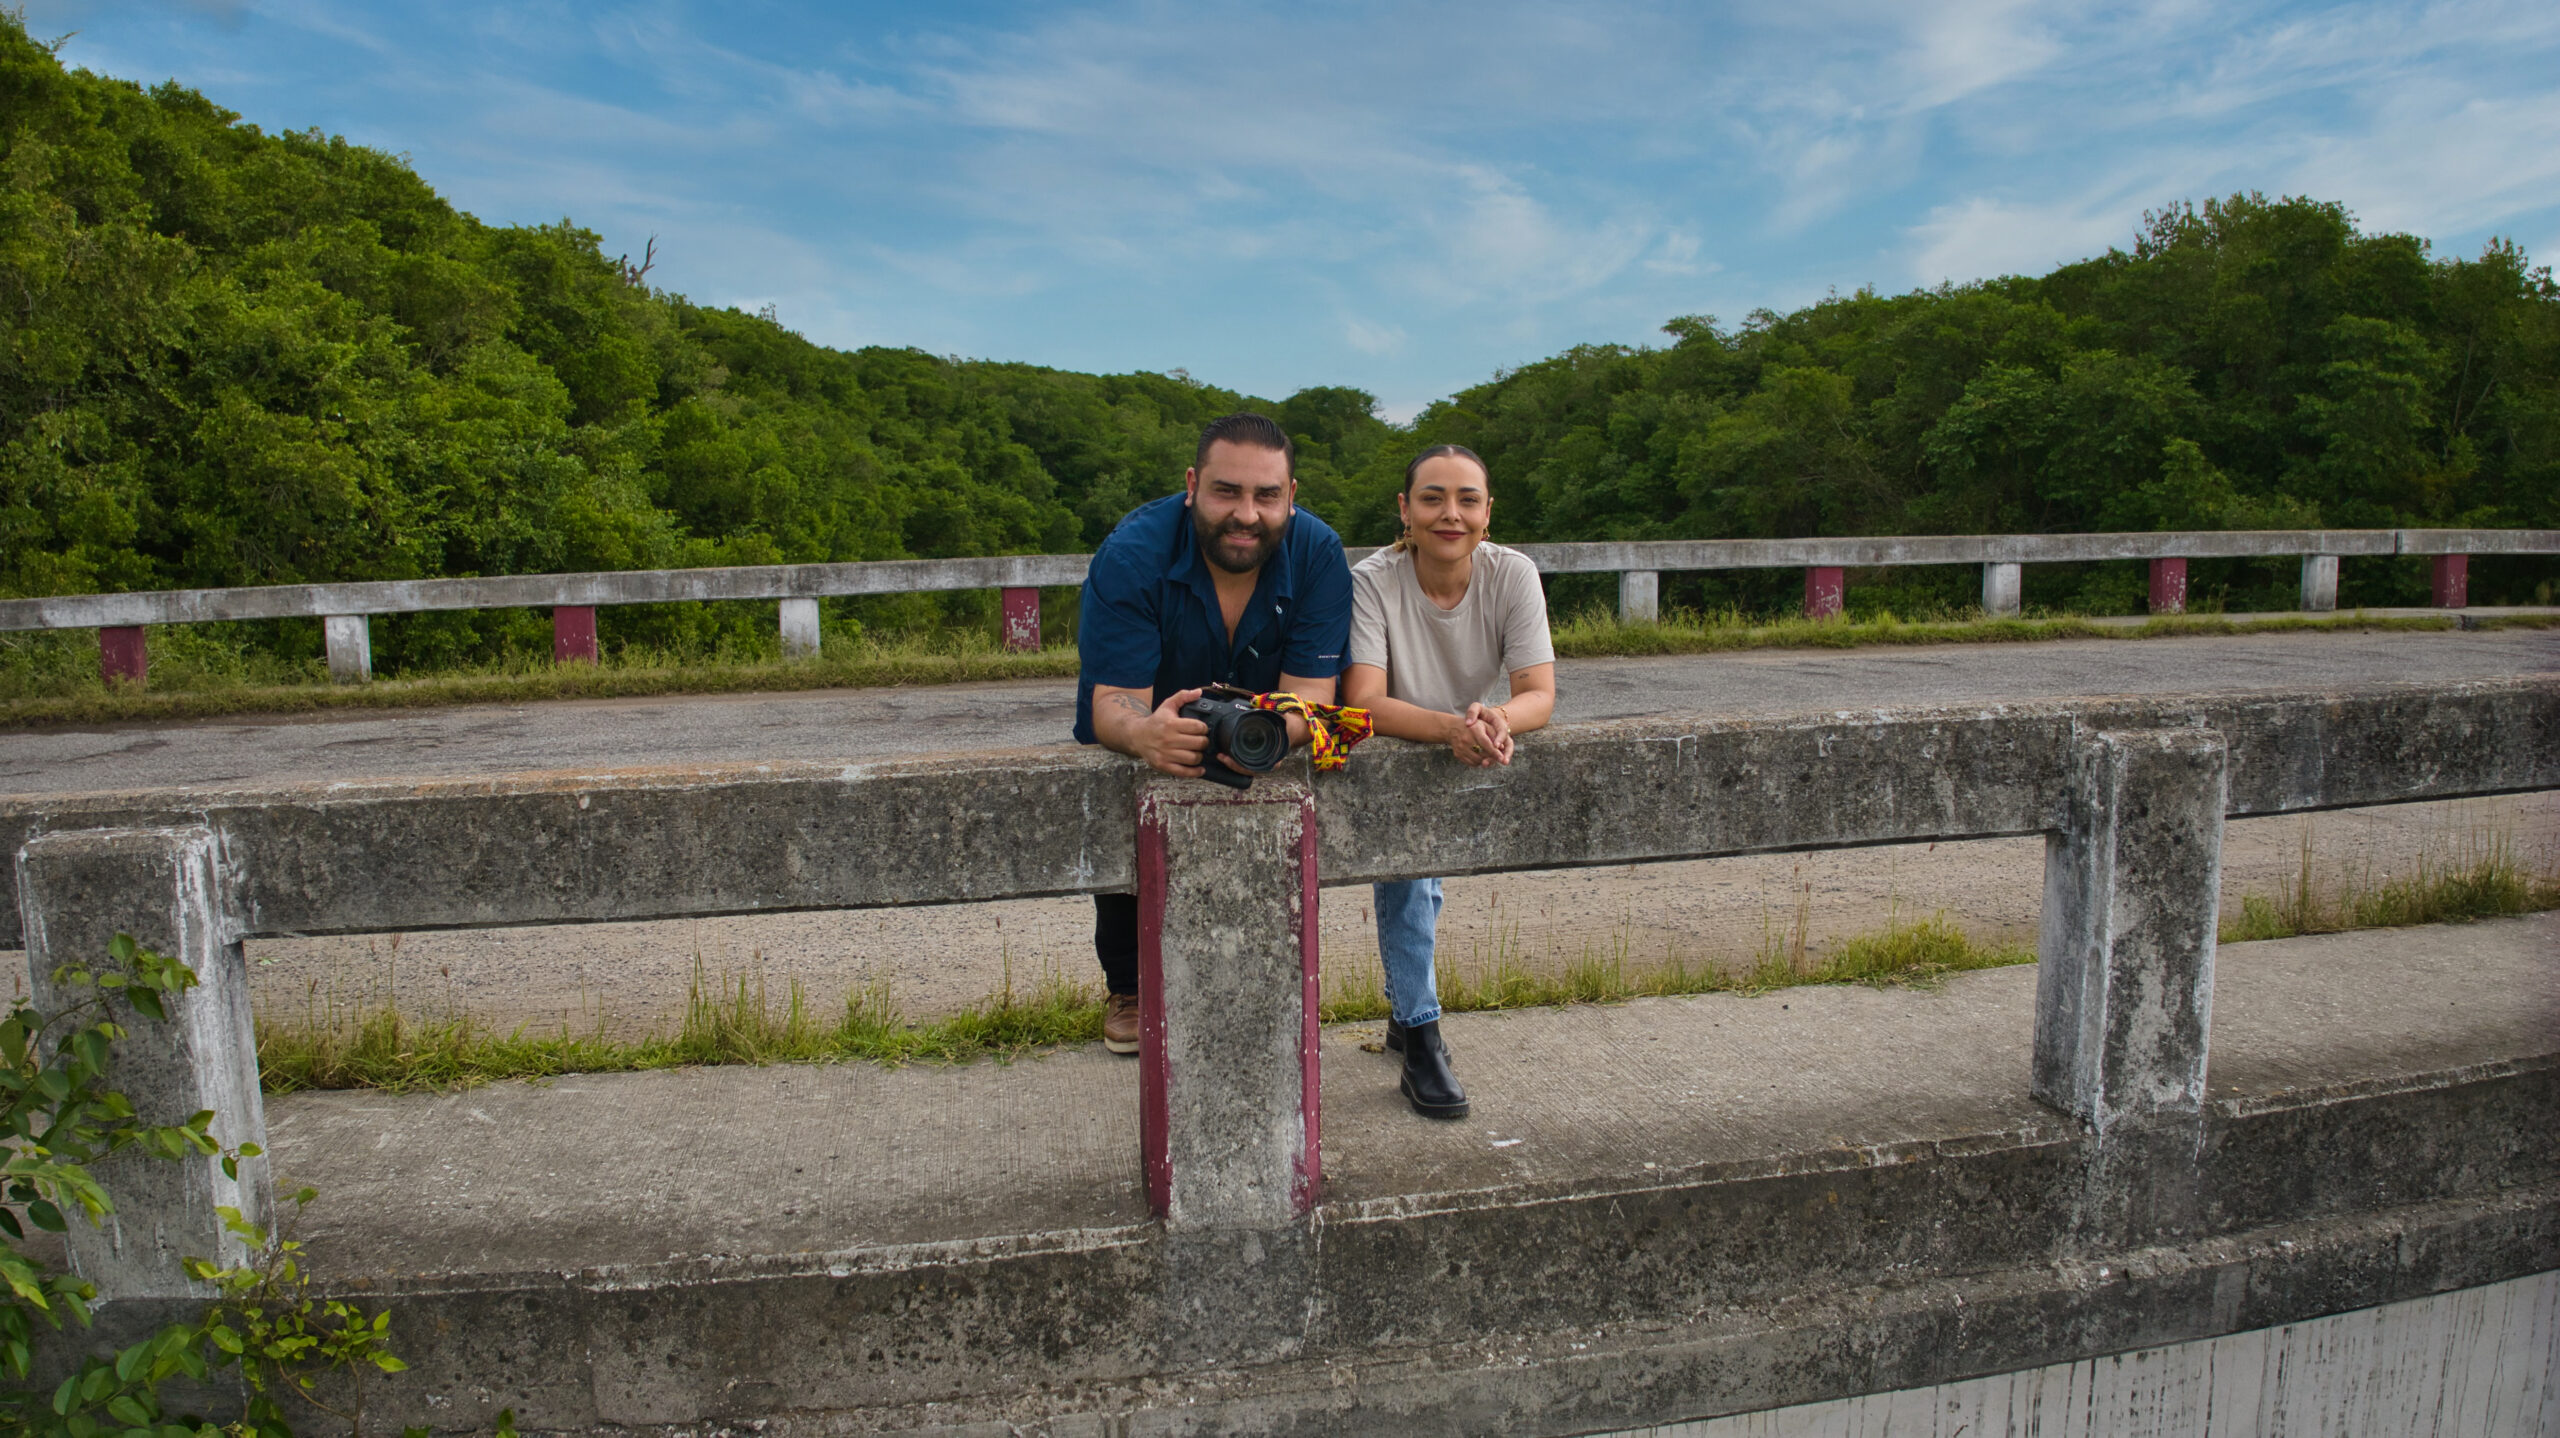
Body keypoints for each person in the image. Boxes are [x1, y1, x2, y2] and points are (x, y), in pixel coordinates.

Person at [1074, 413, 1355, 1054]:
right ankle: (1128, 983)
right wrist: (1146, 735)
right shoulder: (1132, 555)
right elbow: (1112, 703)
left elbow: (1312, 698)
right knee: (1125, 789)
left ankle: (1255, 979)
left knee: (1268, 816)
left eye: (1266, 495)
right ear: (1193, 485)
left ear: (1291, 494)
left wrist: (1263, 736)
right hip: (1156, 706)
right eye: (1227, 491)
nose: (1247, 515)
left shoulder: (1317, 553)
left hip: (1262, 707)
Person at [1341, 444, 1555, 1119]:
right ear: (1404, 511)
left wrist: (1496, 718)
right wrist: (1447, 730)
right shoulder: (1371, 580)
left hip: (1463, 734)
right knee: (1410, 884)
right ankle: (1423, 1036)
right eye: (1432, 498)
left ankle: (1406, 1018)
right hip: (1393, 744)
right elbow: (1365, 701)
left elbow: (1538, 693)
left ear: (1488, 513)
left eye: (1467, 499)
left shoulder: (1511, 574)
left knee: (1422, 890)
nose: (1450, 513)